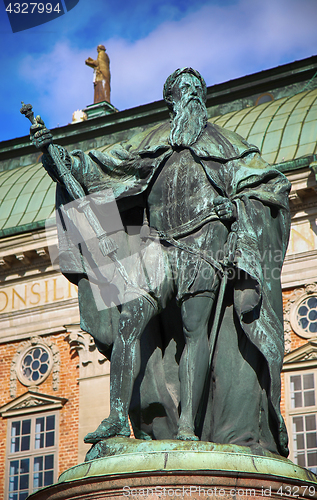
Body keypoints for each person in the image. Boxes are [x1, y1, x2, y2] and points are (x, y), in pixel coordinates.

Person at [30, 68, 291, 456]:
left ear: (201, 98)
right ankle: (118, 414)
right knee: (130, 322)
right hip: (157, 248)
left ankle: (187, 425)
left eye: (195, 89)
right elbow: (102, 168)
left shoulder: (226, 142)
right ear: (171, 99)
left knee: (194, 332)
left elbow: (269, 186)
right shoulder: (154, 143)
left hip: (203, 249)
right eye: (182, 89)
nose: (189, 96)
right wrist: (59, 157)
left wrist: (235, 205)